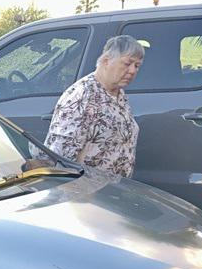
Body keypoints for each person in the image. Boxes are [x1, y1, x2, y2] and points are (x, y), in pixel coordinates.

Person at [44, 35, 144, 178]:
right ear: (106, 61)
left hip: (112, 189)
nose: (133, 71)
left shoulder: (117, 93)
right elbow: (62, 155)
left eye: (137, 66)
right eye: (127, 64)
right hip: (87, 192)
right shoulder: (82, 95)